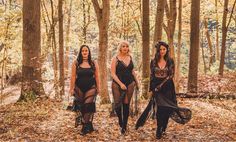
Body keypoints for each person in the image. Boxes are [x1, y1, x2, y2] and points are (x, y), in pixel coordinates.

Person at [136, 41, 191, 139]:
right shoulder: (153, 61)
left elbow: (171, 75)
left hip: (168, 88)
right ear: (158, 50)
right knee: (160, 109)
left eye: (164, 49)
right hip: (157, 89)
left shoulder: (170, 61)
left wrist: (162, 84)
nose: (162, 51)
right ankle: (158, 129)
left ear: (167, 50)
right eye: (160, 49)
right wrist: (152, 88)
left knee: (167, 109)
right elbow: (152, 75)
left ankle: (164, 127)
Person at [69, 45, 99, 135]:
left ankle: (85, 127)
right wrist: (71, 88)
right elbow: (73, 76)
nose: (85, 52)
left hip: (91, 87)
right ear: (80, 52)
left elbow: (97, 76)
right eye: (83, 51)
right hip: (79, 88)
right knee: (81, 107)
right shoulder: (76, 63)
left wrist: (99, 88)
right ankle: (89, 125)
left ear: (89, 52)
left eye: (86, 51)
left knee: (88, 105)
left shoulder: (93, 63)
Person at [110, 40, 139, 134]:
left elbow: (132, 71)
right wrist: (121, 84)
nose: (125, 48)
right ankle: (120, 120)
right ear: (120, 48)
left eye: (127, 46)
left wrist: (137, 82)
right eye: (123, 46)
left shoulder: (130, 57)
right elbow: (113, 74)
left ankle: (124, 127)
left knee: (126, 104)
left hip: (130, 83)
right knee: (118, 105)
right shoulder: (115, 59)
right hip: (117, 83)